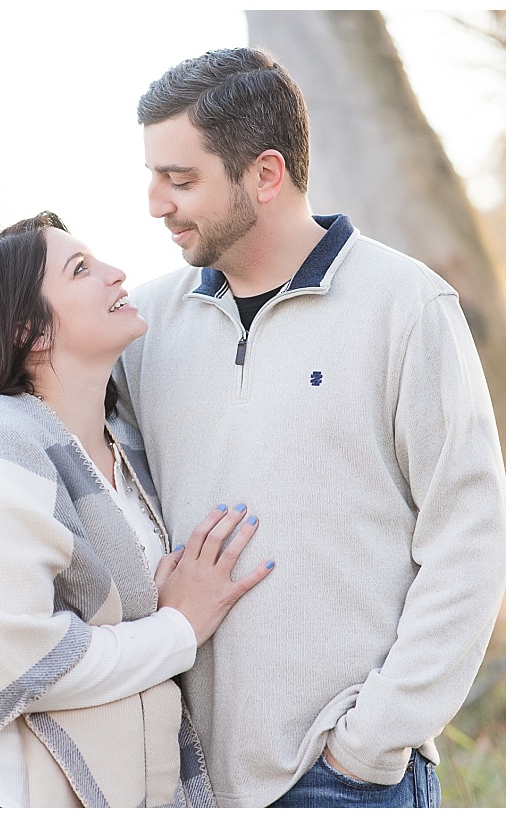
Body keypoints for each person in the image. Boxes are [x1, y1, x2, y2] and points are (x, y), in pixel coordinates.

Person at [114, 47, 505, 808]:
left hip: (343, 779)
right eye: (154, 176)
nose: (156, 203)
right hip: (180, 782)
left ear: (265, 174)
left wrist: (370, 742)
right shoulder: (145, 326)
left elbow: (471, 538)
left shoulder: (407, 307)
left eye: (181, 179)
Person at [0, 212, 274, 808]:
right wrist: (179, 626)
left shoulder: (125, 451)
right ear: (30, 331)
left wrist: (160, 614)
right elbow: (27, 658)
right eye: (80, 269)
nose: (116, 275)